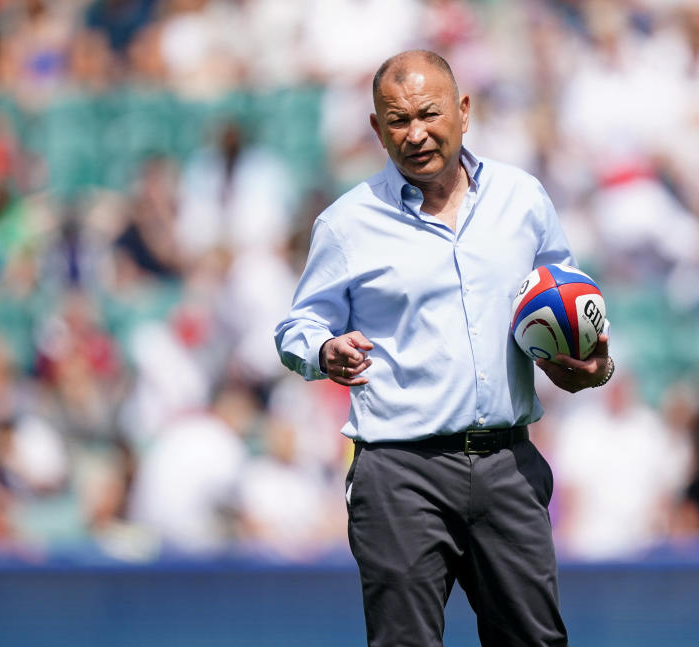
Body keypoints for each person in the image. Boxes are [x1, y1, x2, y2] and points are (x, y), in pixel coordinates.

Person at [274, 50, 614, 647]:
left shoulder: (523, 199)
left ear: (462, 111)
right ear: (377, 130)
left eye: (428, 114)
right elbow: (297, 326)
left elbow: (566, 305)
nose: (415, 133)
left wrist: (590, 364)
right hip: (399, 471)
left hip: (507, 463)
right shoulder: (346, 222)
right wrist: (325, 349)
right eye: (397, 121)